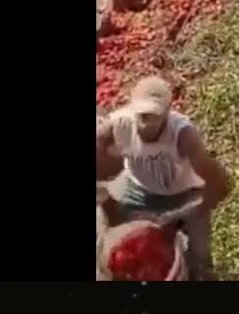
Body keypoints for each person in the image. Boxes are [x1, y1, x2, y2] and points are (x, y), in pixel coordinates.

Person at [96, 76, 231, 281]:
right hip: (138, 191)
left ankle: (199, 273)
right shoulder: (118, 126)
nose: (146, 121)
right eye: (141, 113)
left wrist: (183, 215)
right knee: (121, 247)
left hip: (183, 195)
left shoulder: (183, 136)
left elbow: (222, 185)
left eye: (154, 114)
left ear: (168, 111)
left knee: (200, 260)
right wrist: (104, 196)